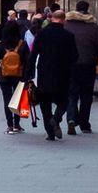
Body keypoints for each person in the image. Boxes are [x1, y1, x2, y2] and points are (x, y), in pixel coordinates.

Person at [32, 8, 78, 140]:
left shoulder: (42, 33)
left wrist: (28, 73)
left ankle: (50, 133)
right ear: (64, 20)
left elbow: (34, 54)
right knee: (64, 101)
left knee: (45, 104)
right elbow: (75, 56)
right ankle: (56, 118)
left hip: (44, 73)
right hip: (62, 73)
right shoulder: (68, 35)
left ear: (52, 18)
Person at [63, 1, 98, 135]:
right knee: (86, 96)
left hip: (70, 65)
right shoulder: (93, 26)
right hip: (88, 65)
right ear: (88, 9)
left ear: (75, 9)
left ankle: (71, 119)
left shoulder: (67, 25)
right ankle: (84, 124)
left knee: (71, 95)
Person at [0, 15, 32, 134]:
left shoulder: (1, 45)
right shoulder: (22, 45)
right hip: (19, 77)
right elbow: (28, 62)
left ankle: (9, 125)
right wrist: (26, 76)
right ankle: (17, 124)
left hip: (4, 76)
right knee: (17, 100)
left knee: (7, 100)